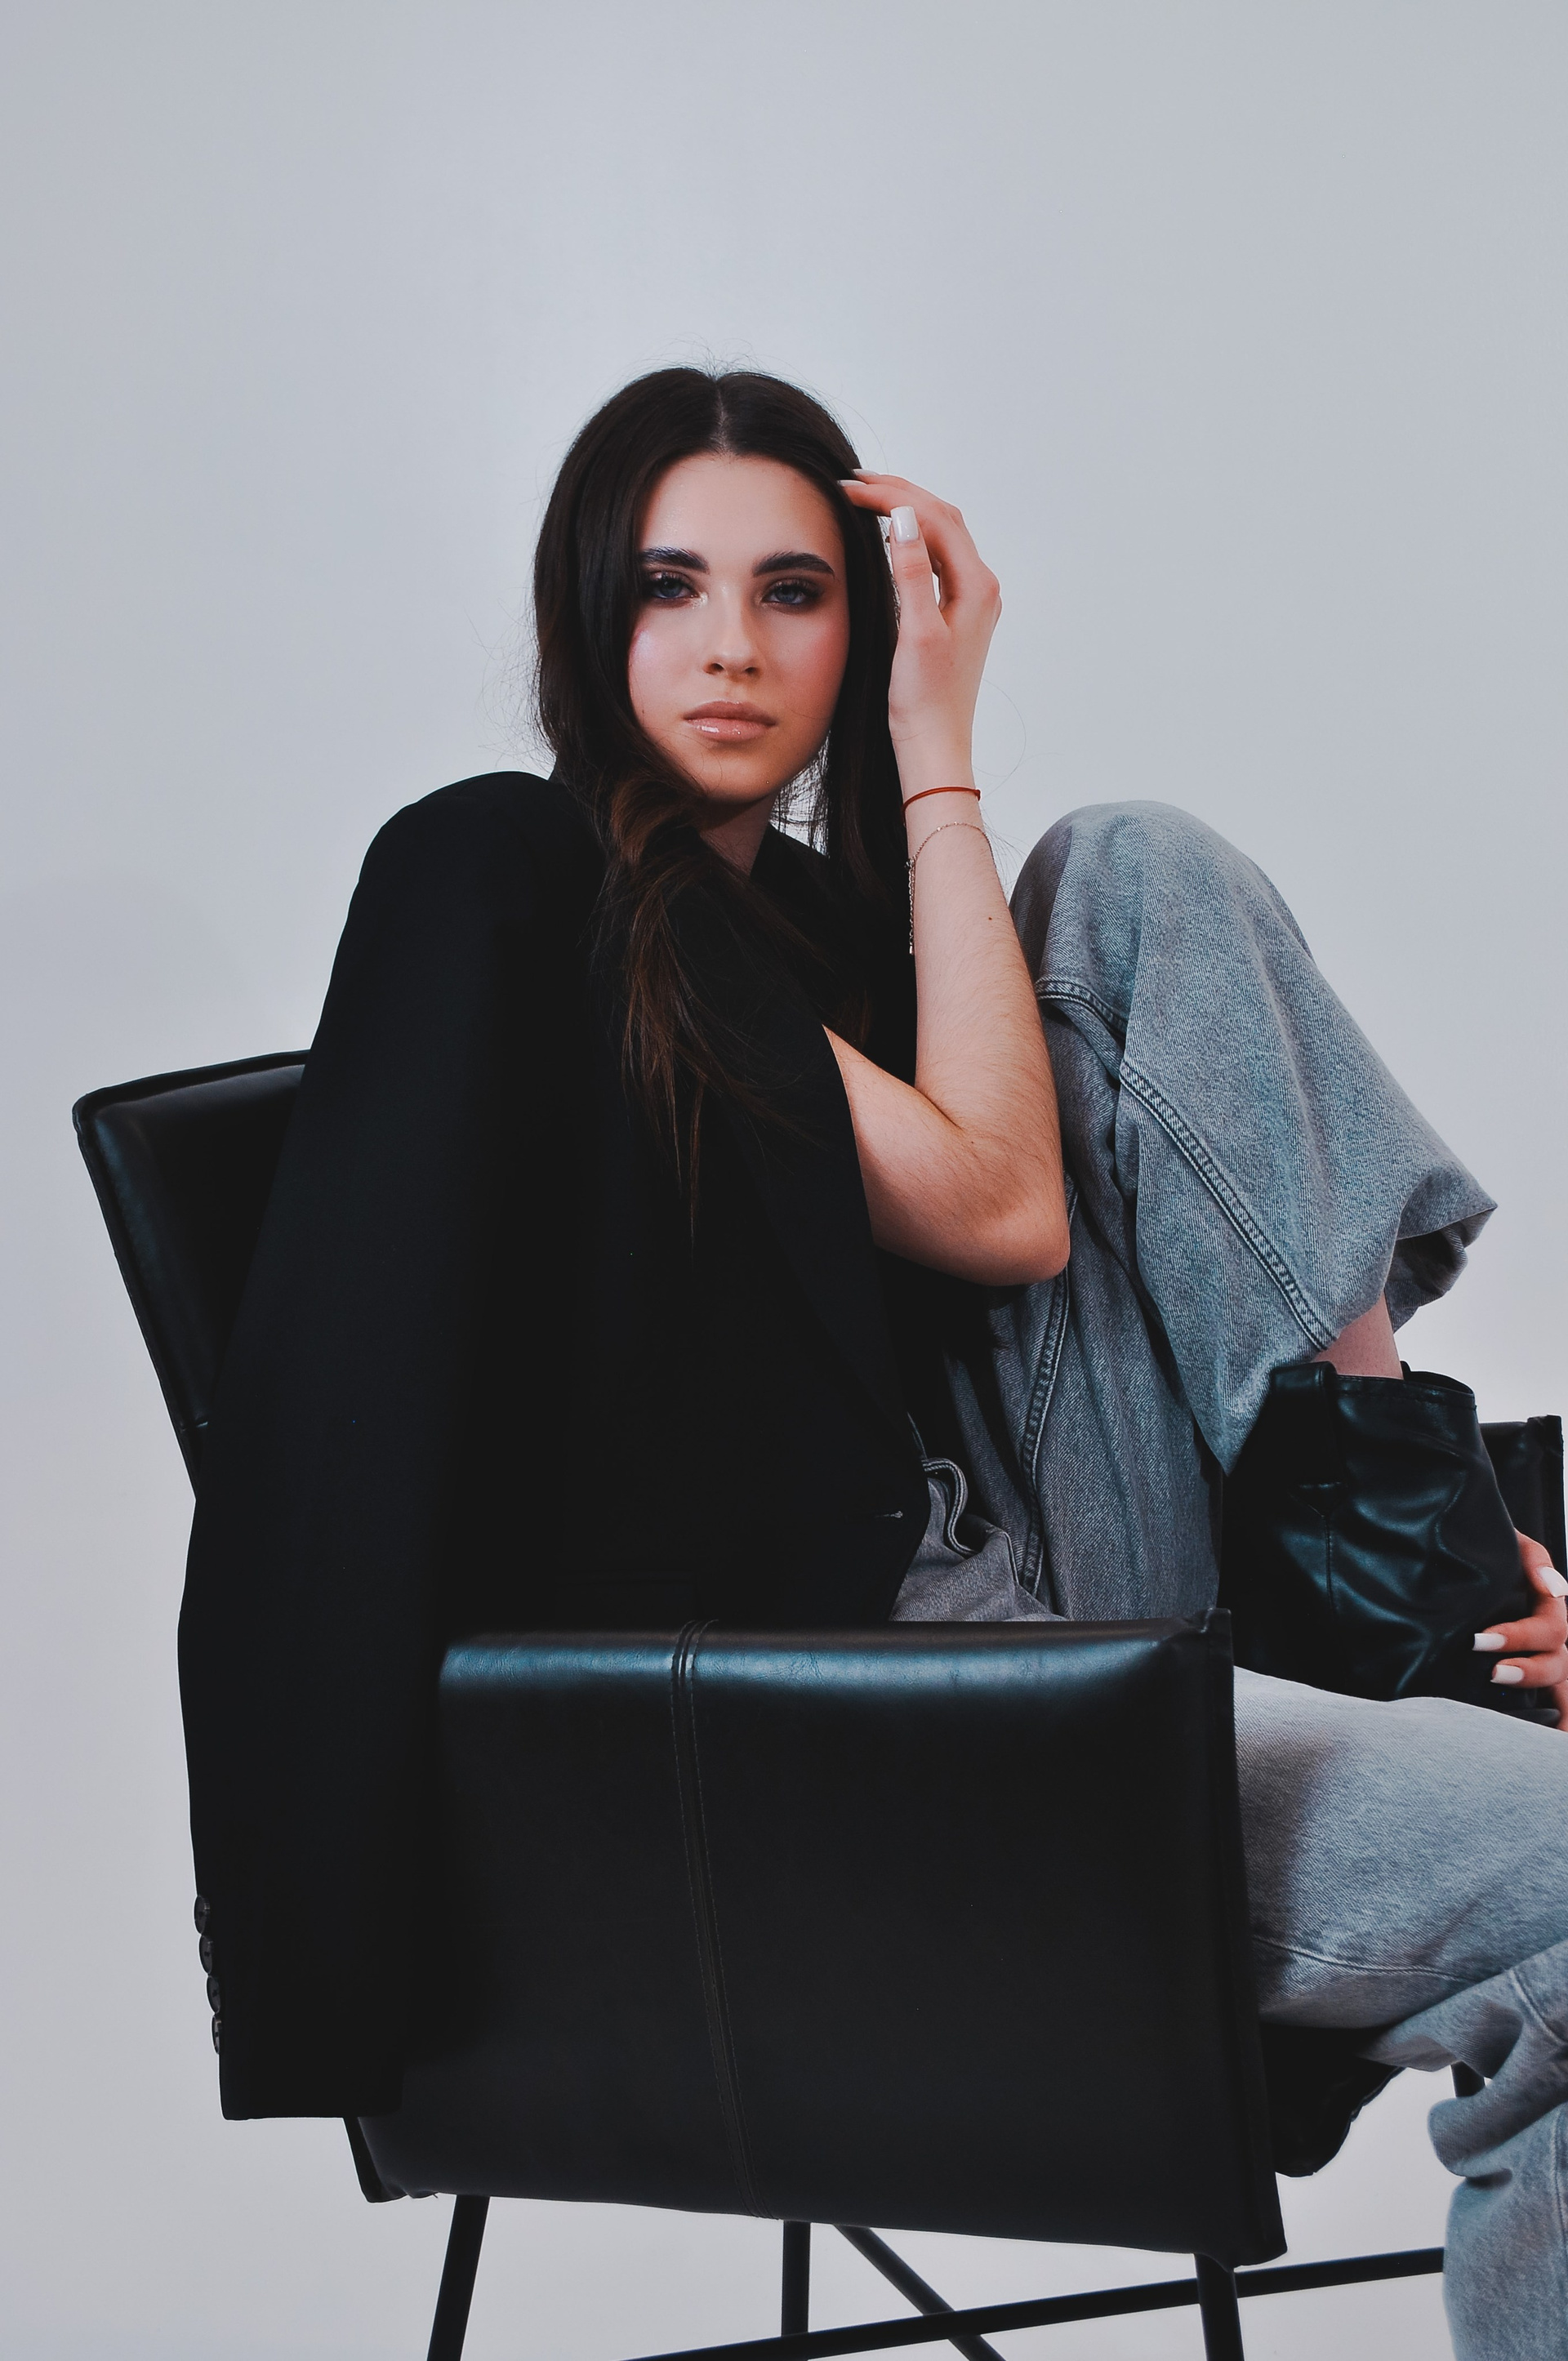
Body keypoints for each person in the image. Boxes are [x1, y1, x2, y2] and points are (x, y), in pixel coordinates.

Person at [180, 368, 1568, 2358]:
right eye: (670, 586)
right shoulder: (520, 875)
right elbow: (994, 1213)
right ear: (586, 615)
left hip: (1038, 1603)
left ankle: (1443, 1602)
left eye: (797, 592)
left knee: (1134, 869)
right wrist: (935, 746)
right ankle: (1450, 1628)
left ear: (862, 623)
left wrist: (925, 771)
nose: (733, 648)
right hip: (842, 1746)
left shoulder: (816, 941)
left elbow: (1043, 1233)